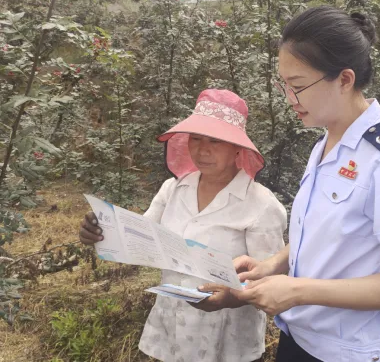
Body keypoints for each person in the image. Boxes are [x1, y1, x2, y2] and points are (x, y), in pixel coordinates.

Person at [228, 6, 380, 362]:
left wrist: (297, 291)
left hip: (346, 352)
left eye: (298, 86)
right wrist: (273, 265)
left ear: (344, 79)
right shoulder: (326, 142)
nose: (289, 99)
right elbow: (329, 235)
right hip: (300, 337)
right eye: (283, 85)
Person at [78, 89, 287, 362]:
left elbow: (268, 279)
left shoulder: (259, 204)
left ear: (238, 147)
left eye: (216, 140)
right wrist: (101, 232)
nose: (203, 150)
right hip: (170, 329)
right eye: (196, 138)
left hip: (226, 341)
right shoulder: (174, 189)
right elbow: (139, 239)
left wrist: (233, 297)